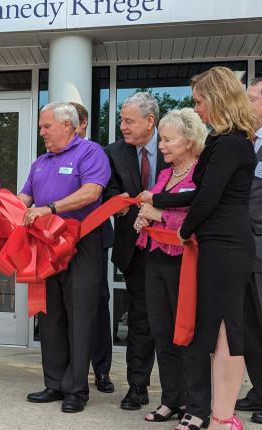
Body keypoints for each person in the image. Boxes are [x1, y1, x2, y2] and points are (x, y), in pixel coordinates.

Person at [140, 66, 257, 430]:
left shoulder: (230, 143)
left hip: (226, 247)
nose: (198, 109)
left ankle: (222, 417)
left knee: (225, 330)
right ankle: (222, 416)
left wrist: (182, 232)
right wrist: (157, 197)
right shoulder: (228, 142)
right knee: (220, 331)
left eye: (200, 101)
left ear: (217, 100)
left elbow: (205, 200)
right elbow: (194, 194)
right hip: (218, 245)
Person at [23, 103, 110, 413]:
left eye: (47, 126)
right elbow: (25, 199)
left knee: (80, 316)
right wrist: (4, 210)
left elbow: (91, 192)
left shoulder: (90, 152)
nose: (42, 132)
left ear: (68, 126)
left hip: (81, 243)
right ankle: (54, 383)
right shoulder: (40, 161)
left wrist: (50, 209)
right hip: (45, 245)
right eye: (41, 127)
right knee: (51, 315)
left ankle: (77, 389)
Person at [133, 108, 211, 426]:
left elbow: (195, 216)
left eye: (167, 139)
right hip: (157, 258)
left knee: (188, 335)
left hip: (187, 261)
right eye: (161, 139)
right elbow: (155, 208)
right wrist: (144, 218)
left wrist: (158, 214)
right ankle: (172, 400)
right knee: (162, 333)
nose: (161, 145)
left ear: (189, 140)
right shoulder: (166, 175)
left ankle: (197, 408)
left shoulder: (201, 174)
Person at [105, 92, 168, 410]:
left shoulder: (176, 144)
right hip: (136, 247)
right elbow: (109, 188)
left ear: (150, 121)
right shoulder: (115, 152)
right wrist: (119, 201)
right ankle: (138, 386)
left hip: (175, 247)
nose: (122, 126)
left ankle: (177, 393)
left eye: (128, 121)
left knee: (171, 319)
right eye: (120, 119)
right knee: (141, 319)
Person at [70, 102, 115, 394]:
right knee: (68, 308)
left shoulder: (94, 153)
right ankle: (71, 372)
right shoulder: (48, 156)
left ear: (83, 124)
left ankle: (100, 371)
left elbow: (98, 192)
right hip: (59, 242)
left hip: (92, 239)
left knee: (97, 305)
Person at [233, 77, 262, 425]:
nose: (247, 104)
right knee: (250, 325)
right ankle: (259, 387)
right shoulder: (246, 143)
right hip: (242, 247)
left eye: (253, 98)